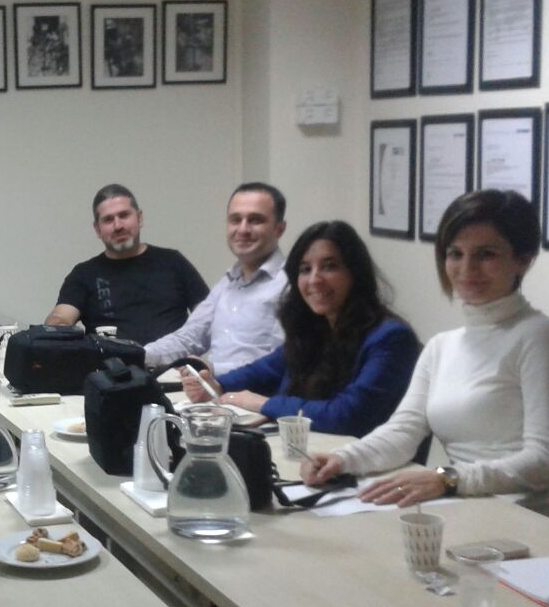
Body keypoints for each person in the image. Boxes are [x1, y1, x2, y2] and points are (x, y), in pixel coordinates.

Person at [301, 191, 549, 523]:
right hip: (481, 510)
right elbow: (403, 432)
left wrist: (447, 478)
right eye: (455, 253)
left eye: (486, 254)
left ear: (523, 260)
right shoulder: (441, 346)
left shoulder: (538, 335)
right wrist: (341, 459)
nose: (467, 268)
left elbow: (544, 461)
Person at [182, 220, 420, 437]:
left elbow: (346, 416)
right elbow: (266, 369)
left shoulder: (392, 339)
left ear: (355, 273)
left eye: (329, 267)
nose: (314, 280)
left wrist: (263, 404)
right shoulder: (316, 327)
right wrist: (217, 385)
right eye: (305, 269)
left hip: (362, 462)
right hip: (311, 451)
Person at [144, 181, 288, 375]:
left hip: (251, 393)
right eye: (235, 220)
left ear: (279, 229)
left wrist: (210, 369)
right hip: (210, 389)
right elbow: (188, 338)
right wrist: (136, 354)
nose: (243, 229)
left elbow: (282, 365)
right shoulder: (227, 283)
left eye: (255, 220)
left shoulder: (290, 285)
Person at [45, 184, 209, 345]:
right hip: (112, 362)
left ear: (139, 218)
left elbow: (209, 316)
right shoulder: (84, 274)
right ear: (97, 229)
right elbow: (61, 317)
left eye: (124, 215)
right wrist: (56, 328)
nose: (118, 226)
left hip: (176, 361)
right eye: (108, 220)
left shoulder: (173, 262)